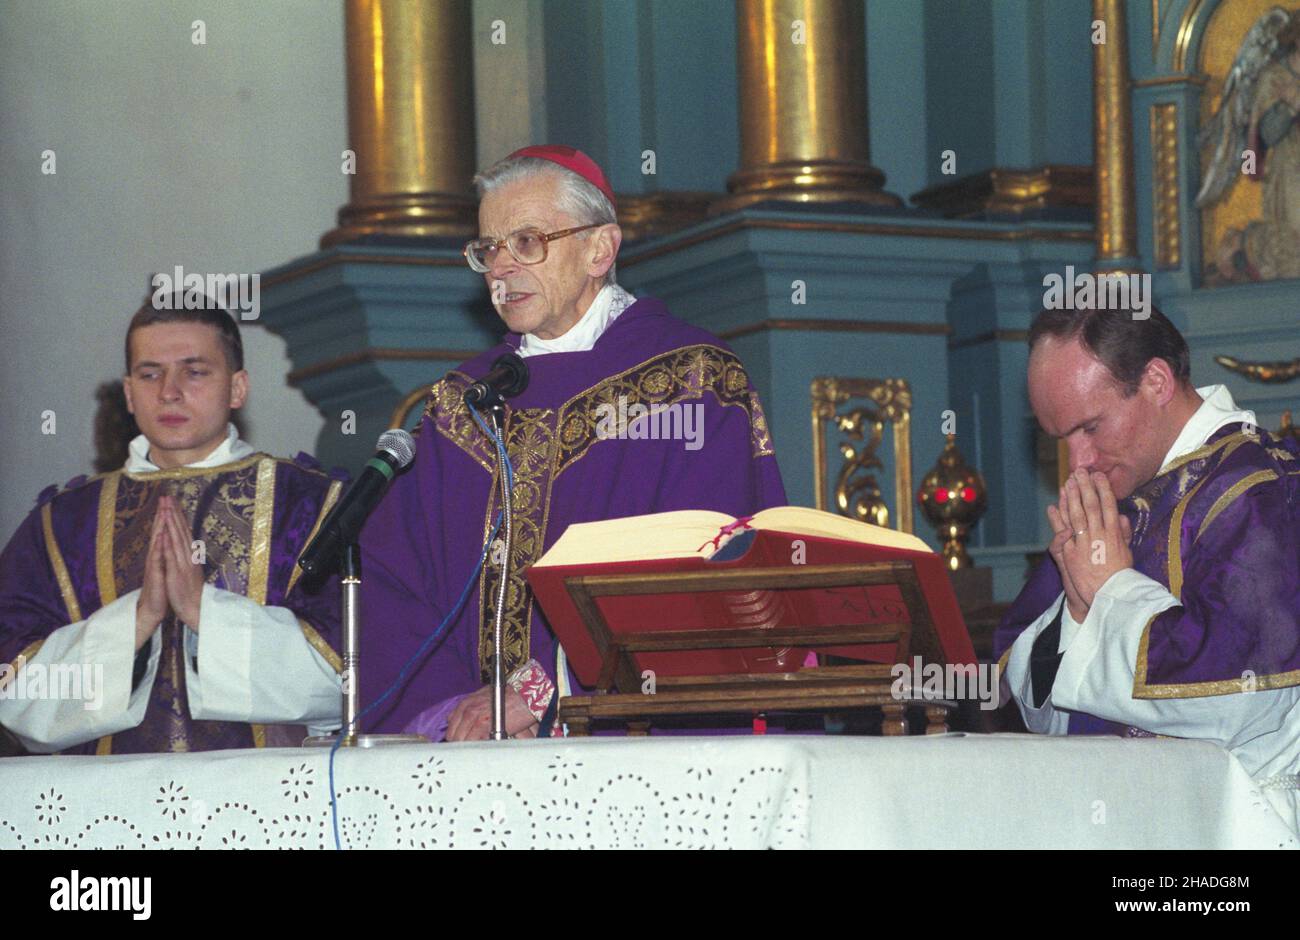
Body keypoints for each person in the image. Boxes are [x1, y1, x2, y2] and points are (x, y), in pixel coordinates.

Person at [359, 145, 786, 741]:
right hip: (468, 750)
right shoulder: (462, 406)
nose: (502, 269)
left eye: (527, 242)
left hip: (631, 746)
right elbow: (391, 583)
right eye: (487, 250)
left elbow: (705, 574)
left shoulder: (691, 383)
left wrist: (543, 693)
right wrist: (454, 706)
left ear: (599, 249)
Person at [994, 305, 1300, 829]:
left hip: (1241, 823)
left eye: (1090, 427)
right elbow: (1025, 685)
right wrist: (1076, 605)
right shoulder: (1113, 502)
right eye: (1058, 438)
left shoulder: (1261, 491)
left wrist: (1110, 588)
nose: (1078, 462)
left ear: (1157, 380)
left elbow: (1242, 698)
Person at [0, 299, 345, 754]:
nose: (169, 391)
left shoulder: (313, 506)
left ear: (237, 388)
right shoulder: (60, 523)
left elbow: (351, 674)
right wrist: (137, 621)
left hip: (273, 800)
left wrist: (204, 611)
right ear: (128, 393)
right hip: (101, 804)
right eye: (149, 374)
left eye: (195, 371)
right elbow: (15, 691)